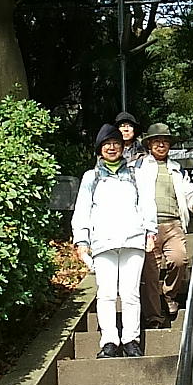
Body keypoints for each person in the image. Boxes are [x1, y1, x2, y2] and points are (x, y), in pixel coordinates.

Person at [71, 124, 157, 358]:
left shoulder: (136, 175)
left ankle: (131, 339)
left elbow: (147, 204)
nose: (111, 148)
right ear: (99, 148)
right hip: (103, 242)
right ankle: (109, 340)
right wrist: (81, 239)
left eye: (116, 143)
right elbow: (82, 209)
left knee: (130, 293)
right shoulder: (91, 177)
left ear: (122, 147)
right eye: (106, 144)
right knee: (106, 293)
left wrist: (150, 232)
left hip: (133, 240)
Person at [137, 123, 193, 327]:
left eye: (165, 141)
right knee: (150, 273)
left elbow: (189, 190)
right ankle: (153, 316)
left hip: (173, 224)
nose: (161, 145)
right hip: (148, 227)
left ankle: (169, 294)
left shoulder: (176, 168)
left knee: (179, 260)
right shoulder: (138, 167)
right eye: (156, 141)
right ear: (149, 144)